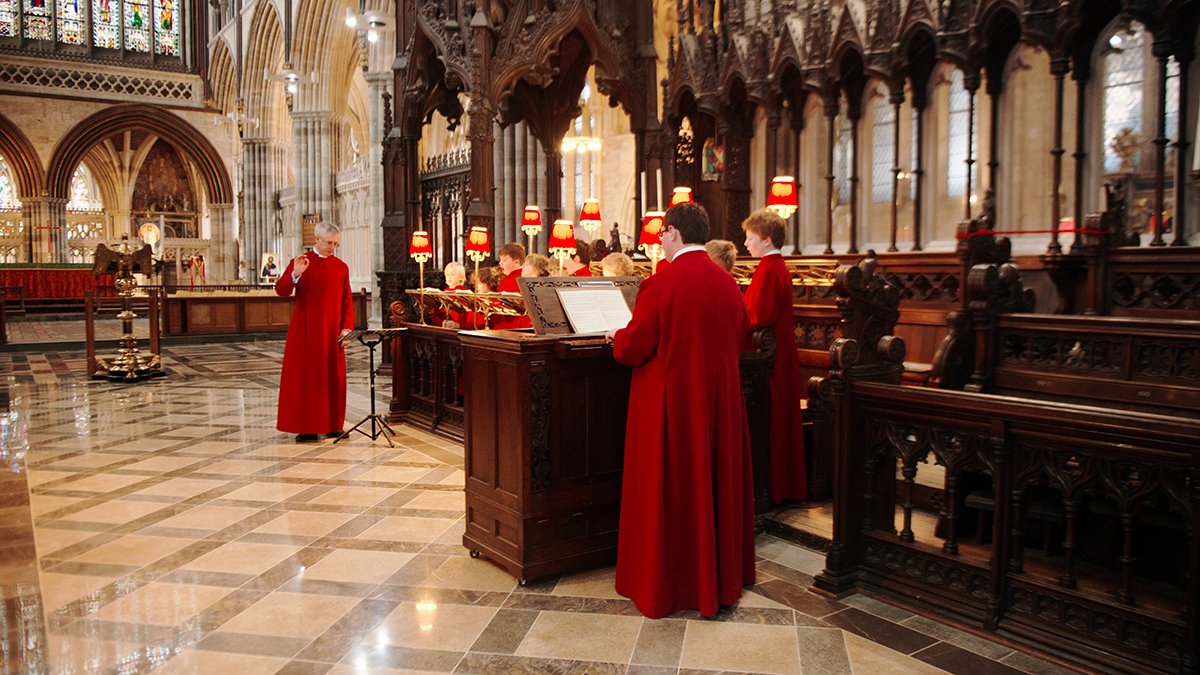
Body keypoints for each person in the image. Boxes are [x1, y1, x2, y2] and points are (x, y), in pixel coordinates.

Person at [605, 202, 755, 618]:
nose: (660, 242)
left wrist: (617, 335)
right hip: (719, 404)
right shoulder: (728, 283)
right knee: (712, 486)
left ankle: (667, 585)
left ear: (672, 233)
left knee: (668, 491)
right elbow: (740, 333)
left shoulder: (662, 283)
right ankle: (717, 578)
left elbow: (635, 347)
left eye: (661, 235)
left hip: (671, 405)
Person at [742, 208, 807, 503]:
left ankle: (777, 487)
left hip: (771, 356)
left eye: (750, 237)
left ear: (766, 239)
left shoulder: (769, 269)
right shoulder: (775, 266)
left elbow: (758, 316)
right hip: (779, 350)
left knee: (776, 421)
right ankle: (784, 486)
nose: (746, 243)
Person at [275, 222, 354, 443]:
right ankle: (307, 427)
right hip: (306, 331)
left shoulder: (341, 267)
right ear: (316, 239)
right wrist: (295, 274)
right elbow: (281, 290)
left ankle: (333, 425)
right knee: (307, 379)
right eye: (329, 243)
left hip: (332, 333)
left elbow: (347, 300)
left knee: (333, 379)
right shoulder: (301, 262)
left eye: (336, 244)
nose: (333, 247)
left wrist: (347, 328)